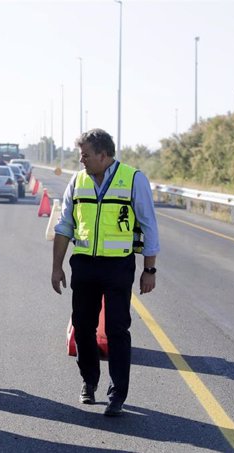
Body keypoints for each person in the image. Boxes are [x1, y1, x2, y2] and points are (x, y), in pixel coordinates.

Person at [50, 128, 159, 416]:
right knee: (83, 328)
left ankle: (117, 394)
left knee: (116, 330)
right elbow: (64, 226)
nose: (81, 160)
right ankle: (89, 381)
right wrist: (56, 267)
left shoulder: (133, 179)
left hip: (118, 266)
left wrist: (150, 270)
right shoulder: (78, 180)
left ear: (103, 155)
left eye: (85, 155)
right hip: (84, 265)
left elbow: (149, 227)